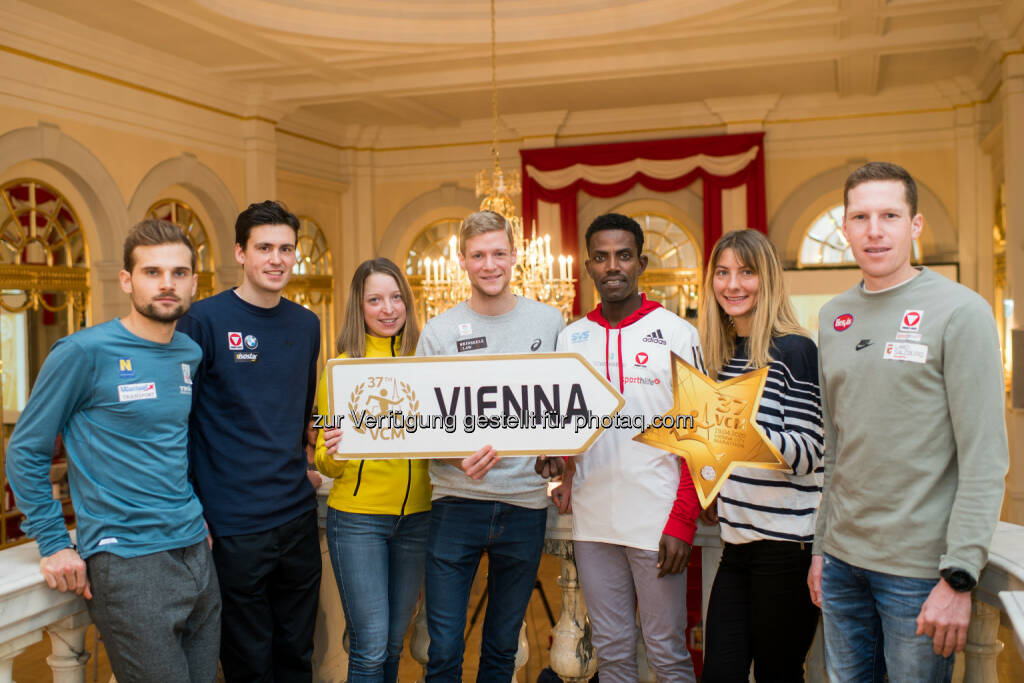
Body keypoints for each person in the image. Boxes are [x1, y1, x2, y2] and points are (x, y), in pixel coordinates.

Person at [808, 162, 1008, 681]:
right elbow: (836, 451)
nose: (874, 230)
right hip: (841, 563)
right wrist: (820, 551)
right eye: (861, 217)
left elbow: (984, 457)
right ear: (846, 226)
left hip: (919, 575)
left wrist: (959, 577)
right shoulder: (833, 316)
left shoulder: (961, 313)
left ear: (914, 225)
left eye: (890, 215)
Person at [6, 219, 220, 683]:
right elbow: (24, 451)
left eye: (179, 273)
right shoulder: (82, 352)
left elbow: (172, 442)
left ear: (193, 282)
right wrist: (53, 541)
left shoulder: (187, 352)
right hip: (129, 563)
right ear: (127, 280)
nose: (167, 284)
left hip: (196, 552)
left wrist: (195, 512)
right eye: (152, 272)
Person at [178, 200, 337, 682]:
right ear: (240, 253)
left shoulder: (307, 324)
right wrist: (189, 507)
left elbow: (299, 414)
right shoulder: (202, 321)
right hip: (232, 526)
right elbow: (179, 424)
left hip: (295, 517)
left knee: (296, 654)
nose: (276, 259)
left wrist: (307, 460)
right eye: (264, 247)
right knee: (248, 660)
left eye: (286, 249)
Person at [550, 213, 701, 683]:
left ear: (641, 263)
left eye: (623, 255)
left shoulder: (677, 334)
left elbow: (699, 438)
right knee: (612, 654)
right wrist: (555, 463)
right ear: (589, 267)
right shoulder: (570, 339)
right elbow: (563, 434)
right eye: (600, 256)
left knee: (667, 654)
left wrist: (682, 520)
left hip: (658, 523)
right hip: (593, 524)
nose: (612, 266)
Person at [415, 210, 564, 681]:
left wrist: (556, 460)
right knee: (443, 652)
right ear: (461, 261)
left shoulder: (550, 321)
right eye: (478, 255)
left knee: (502, 650)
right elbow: (417, 424)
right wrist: (452, 455)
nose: (490, 264)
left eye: (498, 253)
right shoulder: (438, 331)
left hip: (523, 505)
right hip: (455, 504)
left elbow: (561, 407)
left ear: (515, 256)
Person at [696, 229, 823, 682]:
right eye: (723, 273)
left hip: (787, 551)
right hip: (736, 547)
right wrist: (708, 482)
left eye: (746, 272)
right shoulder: (719, 356)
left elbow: (810, 453)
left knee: (779, 675)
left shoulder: (796, 350)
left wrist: (746, 432)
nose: (733, 285)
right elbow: (713, 448)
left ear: (766, 278)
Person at [314, 257, 430, 683]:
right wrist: (335, 454)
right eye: (376, 299)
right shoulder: (340, 371)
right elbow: (327, 461)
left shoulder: (428, 367)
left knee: (395, 643)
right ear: (359, 307)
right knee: (370, 646)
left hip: (418, 519)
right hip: (359, 521)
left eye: (396, 297)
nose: (388, 309)